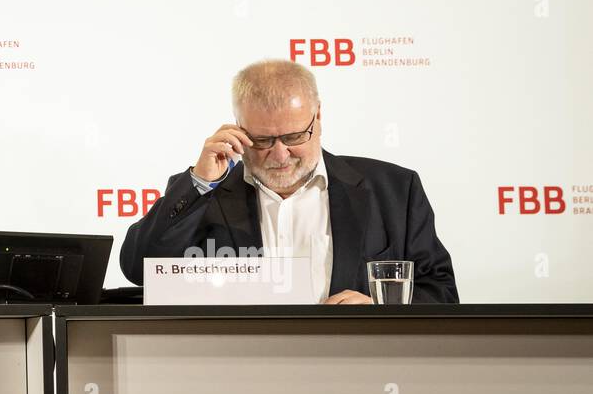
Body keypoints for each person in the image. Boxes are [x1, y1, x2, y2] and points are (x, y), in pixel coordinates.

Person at [120, 59, 457, 303]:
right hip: (242, 378)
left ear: (319, 116)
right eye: (263, 140)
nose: (280, 155)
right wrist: (199, 184)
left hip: (362, 373)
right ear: (237, 127)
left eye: (295, 136)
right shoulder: (204, 192)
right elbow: (140, 269)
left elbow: (441, 291)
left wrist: (380, 311)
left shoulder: (395, 189)